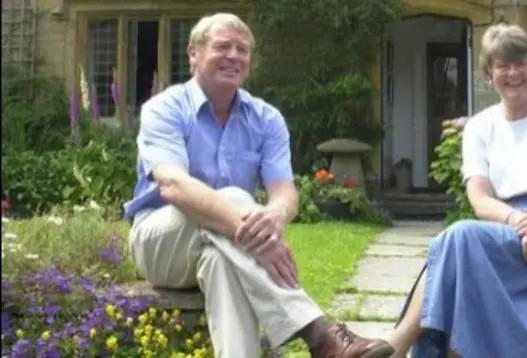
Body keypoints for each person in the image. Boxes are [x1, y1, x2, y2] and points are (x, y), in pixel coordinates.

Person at [122, 12, 395, 358]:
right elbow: (173, 186)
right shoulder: (164, 108)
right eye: (223, 46)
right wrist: (250, 234)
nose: (234, 56)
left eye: (242, 49)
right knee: (235, 197)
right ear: (193, 53)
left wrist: (276, 218)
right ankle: (320, 334)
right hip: (161, 243)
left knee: (219, 264)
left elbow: (283, 191)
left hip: (226, 244)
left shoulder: (266, 118)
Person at [384, 23, 527, 358]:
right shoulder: (480, 127)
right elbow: (479, 198)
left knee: (457, 241)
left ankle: (398, 342)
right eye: (501, 65)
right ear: (489, 74)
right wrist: (522, 224)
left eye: (520, 62)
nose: (512, 73)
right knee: (458, 253)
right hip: (507, 232)